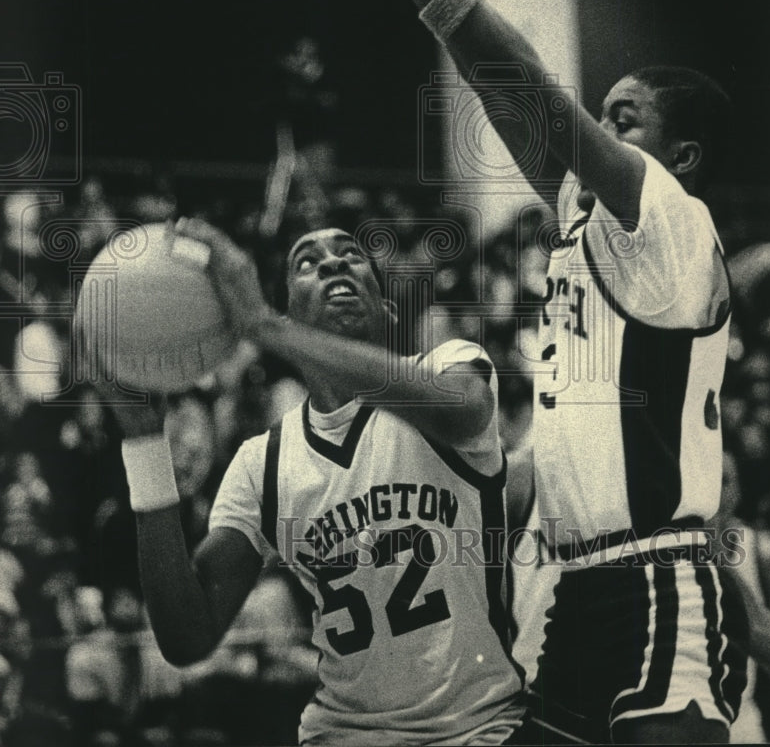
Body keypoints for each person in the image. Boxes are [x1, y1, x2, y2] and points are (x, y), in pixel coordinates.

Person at [278, 0, 749, 742]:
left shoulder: (670, 216)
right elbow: (483, 65)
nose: (603, 129)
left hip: (663, 578)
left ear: (683, 154)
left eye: (629, 118)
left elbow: (521, 69)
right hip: (578, 588)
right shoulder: (594, 218)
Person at [104, 220, 525, 746]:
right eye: (307, 261)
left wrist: (265, 326)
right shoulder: (263, 464)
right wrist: (145, 443)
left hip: (479, 728)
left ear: (387, 309)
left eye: (351, 254)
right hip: (343, 733)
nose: (332, 262)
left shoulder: (450, 365)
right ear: (291, 309)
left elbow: (462, 413)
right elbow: (187, 638)